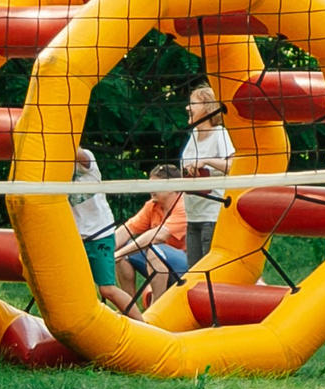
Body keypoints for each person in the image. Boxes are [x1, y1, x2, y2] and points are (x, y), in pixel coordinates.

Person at [178, 81, 234, 269]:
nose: (187, 107)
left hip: (213, 215)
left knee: (210, 272)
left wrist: (206, 161)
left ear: (208, 108)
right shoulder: (193, 135)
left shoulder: (220, 134)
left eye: (193, 103)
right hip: (193, 215)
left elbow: (233, 165)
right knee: (194, 273)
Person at [115, 167, 189, 308]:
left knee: (154, 250)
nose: (150, 189)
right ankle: (130, 309)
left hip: (185, 267)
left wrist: (118, 253)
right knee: (125, 250)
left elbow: (157, 235)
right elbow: (127, 229)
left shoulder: (183, 206)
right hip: (159, 260)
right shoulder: (153, 205)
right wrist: (105, 250)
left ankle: (157, 309)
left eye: (155, 185)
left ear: (171, 188)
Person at [72, 148, 131, 312]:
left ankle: (144, 324)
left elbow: (77, 152)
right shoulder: (51, 169)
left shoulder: (85, 158)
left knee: (107, 289)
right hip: (75, 235)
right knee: (77, 288)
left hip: (99, 232)